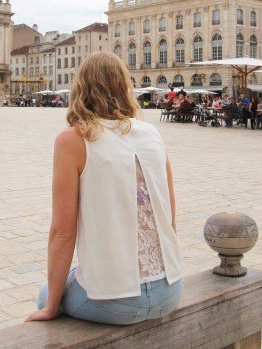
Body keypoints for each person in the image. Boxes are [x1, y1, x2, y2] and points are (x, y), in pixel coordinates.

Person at [26, 52, 183, 325]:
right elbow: (169, 215)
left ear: (81, 88)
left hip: (116, 302)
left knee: (46, 293)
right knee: (76, 275)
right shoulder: (152, 133)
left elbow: (63, 232)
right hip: (170, 289)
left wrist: (51, 307)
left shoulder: (74, 139)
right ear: (124, 86)